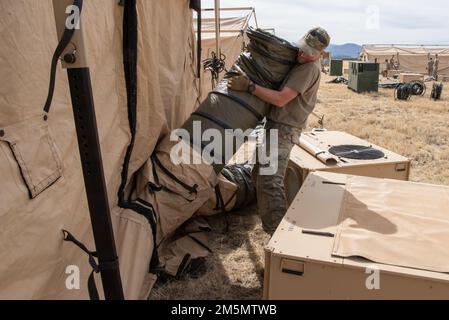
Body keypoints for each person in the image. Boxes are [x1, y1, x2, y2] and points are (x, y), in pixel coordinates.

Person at [227, 27, 330, 233]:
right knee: (259, 174)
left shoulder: (308, 69)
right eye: (302, 49)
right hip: (276, 126)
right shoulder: (303, 63)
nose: (302, 54)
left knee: (269, 180)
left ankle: (277, 234)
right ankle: (266, 216)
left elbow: (281, 99)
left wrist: (250, 87)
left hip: (284, 130)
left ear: (321, 54)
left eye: (309, 53)